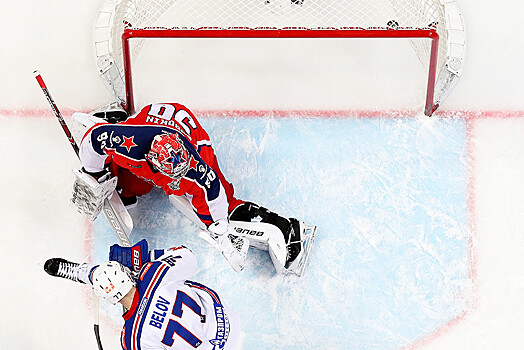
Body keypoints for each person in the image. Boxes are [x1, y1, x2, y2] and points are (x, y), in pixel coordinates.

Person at [70, 102, 316, 276]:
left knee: (224, 206)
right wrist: (94, 175)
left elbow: (214, 193)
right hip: (151, 125)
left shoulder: (197, 168)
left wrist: (220, 230)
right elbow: (93, 140)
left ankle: (287, 229)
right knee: (128, 180)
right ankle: (116, 118)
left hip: (191, 136)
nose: (177, 180)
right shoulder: (122, 142)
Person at [44, 239, 241, 350]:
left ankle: (83, 272)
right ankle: (89, 271)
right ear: (128, 275)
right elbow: (188, 256)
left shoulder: (132, 338)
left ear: (109, 301)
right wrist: (147, 259)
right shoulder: (154, 273)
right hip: (228, 320)